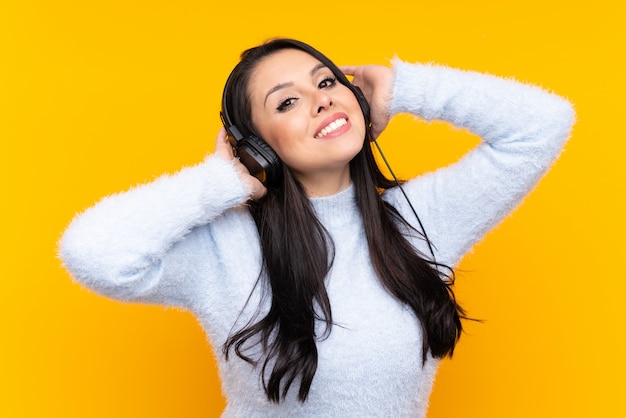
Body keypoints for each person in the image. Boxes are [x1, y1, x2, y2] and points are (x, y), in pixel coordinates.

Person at [59, 38, 575, 417]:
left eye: (326, 81)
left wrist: (409, 88)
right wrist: (220, 180)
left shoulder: (421, 220)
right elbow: (92, 252)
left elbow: (543, 124)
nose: (323, 98)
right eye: (287, 102)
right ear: (256, 146)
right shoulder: (223, 244)